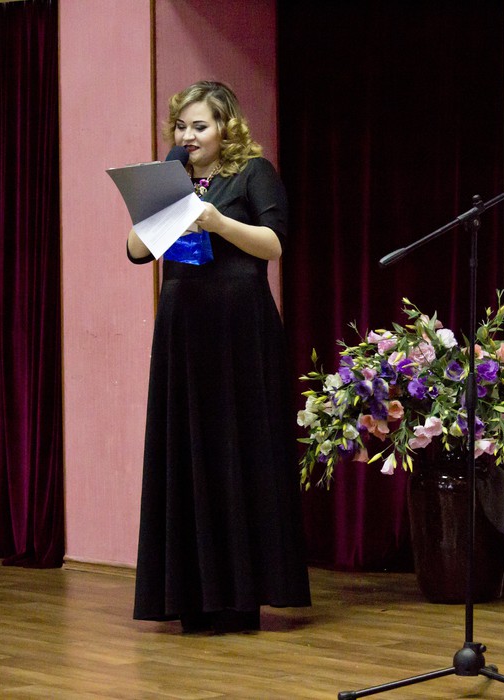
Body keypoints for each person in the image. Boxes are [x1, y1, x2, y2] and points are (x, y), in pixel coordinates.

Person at [128, 81, 311, 633]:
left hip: (239, 329)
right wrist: (154, 212)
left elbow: (274, 243)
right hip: (183, 328)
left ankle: (243, 594)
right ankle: (192, 594)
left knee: (240, 448)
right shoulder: (170, 178)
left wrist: (217, 222)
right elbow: (137, 251)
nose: (187, 135)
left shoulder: (253, 172)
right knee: (186, 450)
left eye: (199, 126)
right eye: (181, 126)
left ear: (226, 126)